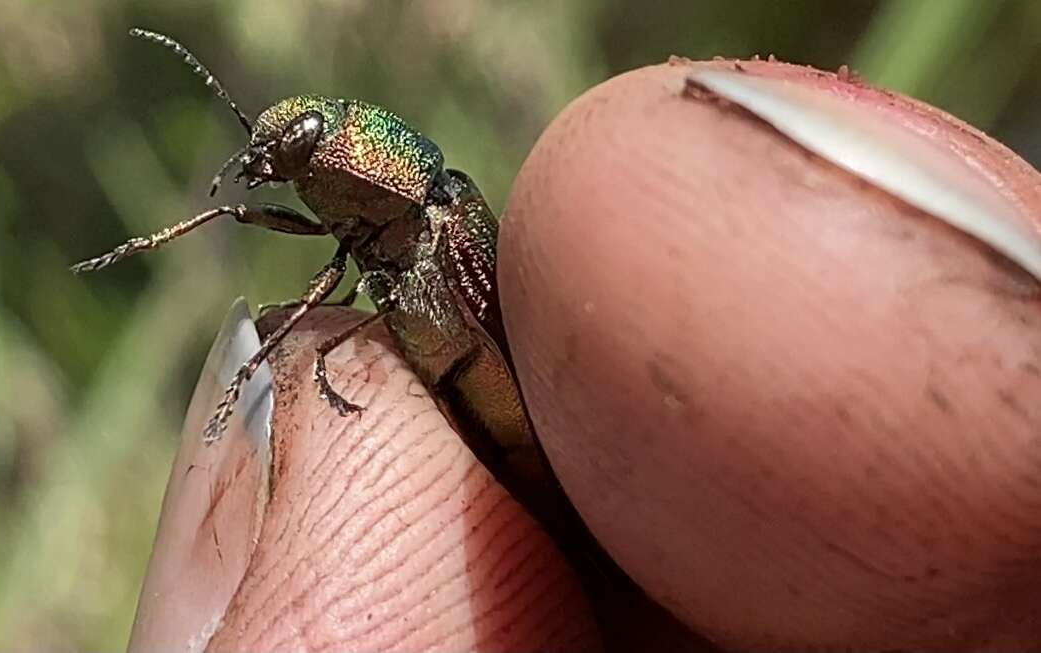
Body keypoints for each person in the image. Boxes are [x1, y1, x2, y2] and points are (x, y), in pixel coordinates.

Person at [129, 60, 1041, 652]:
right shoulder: (371, 218)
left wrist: (261, 366)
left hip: (504, 406)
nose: (270, 165)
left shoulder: (434, 218)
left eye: (292, 151)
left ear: (356, 159)